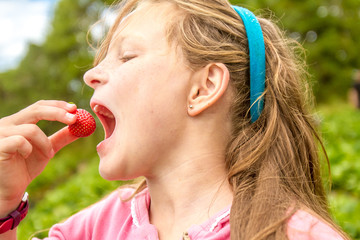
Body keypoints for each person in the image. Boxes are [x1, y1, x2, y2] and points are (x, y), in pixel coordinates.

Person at [0, 0, 350, 239]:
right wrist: (3, 206)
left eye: (126, 56)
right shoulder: (94, 227)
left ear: (204, 87)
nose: (92, 74)